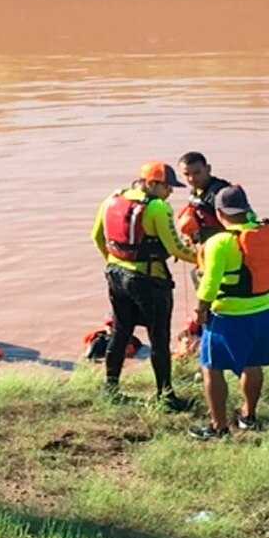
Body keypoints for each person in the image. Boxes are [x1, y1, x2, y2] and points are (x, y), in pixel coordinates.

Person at [90, 160, 198, 410]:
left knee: (120, 330)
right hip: (149, 280)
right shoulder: (158, 208)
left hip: (115, 275)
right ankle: (166, 396)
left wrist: (115, 262)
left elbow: (96, 237)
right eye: (167, 186)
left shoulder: (112, 199)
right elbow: (176, 248)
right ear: (151, 184)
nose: (170, 191)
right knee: (159, 338)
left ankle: (111, 388)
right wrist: (202, 257)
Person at [189, 185, 269, 439]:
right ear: (246, 210)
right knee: (252, 365)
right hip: (262, 313)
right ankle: (248, 416)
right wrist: (257, 293)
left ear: (220, 213)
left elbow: (209, 283)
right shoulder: (266, 235)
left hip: (226, 316)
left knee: (211, 369)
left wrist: (200, 311)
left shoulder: (220, 242)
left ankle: (218, 427)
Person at [176, 151, 231, 245]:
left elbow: (236, 227)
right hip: (206, 246)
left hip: (224, 247)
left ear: (208, 169)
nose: (191, 178)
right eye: (186, 174)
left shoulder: (223, 193)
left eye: (197, 173)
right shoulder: (195, 191)